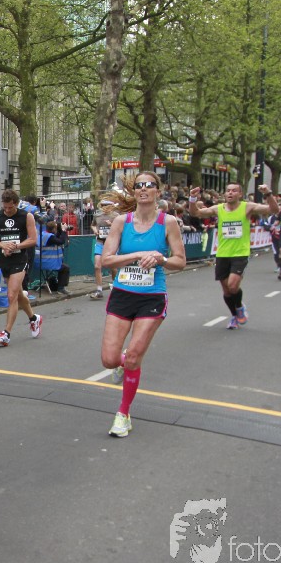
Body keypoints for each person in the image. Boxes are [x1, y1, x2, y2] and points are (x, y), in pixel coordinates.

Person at [98, 173, 186, 437]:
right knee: (109, 360)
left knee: (135, 356)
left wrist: (161, 259)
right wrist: (137, 255)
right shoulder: (121, 222)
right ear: (134, 191)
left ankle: (123, 414)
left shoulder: (168, 222)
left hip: (152, 296)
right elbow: (106, 260)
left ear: (158, 191)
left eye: (150, 185)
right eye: (139, 186)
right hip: (123, 294)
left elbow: (180, 261)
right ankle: (123, 363)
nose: (144, 189)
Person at [186, 181, 278, 329]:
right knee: (227, 291)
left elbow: (274, 209)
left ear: (240, 194)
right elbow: (195, 213)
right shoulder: (219, 208)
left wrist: (268, 193)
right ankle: (235, 315)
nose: (230, 193)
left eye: (234, 190)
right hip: (222, 253)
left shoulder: (247, 207)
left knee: (233, 285)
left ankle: (239, 307)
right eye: (228, 190)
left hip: (240, 252)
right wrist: (192, 198)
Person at [0, 189, 41, 346]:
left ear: (16, 204)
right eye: (5, 207)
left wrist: (16, 246)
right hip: (5, 260)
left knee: (11, 295)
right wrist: (3, 245)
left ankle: (6, 333)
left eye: (10, 207)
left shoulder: (26, 216)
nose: (7, 210)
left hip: (20, 259)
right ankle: (34, 318)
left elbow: (33, 239)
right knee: (18, 295)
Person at [90, 200, 117, 300]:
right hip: (100, 242)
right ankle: (99, 290)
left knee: (113, 267)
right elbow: (93, 225)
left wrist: (112, 225)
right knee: (97, 266)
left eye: (107, 205)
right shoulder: (97, 215)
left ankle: (115, 287)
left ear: (111, 206)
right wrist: (95, 230)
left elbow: (122, 229)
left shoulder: (116, 216)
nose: (104, 207)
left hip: (111, 244)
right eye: (103, 205)